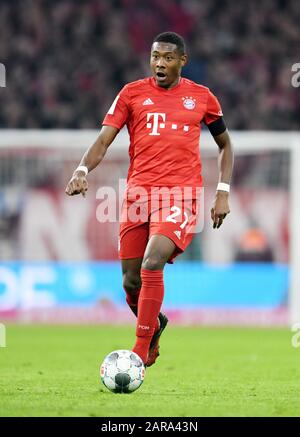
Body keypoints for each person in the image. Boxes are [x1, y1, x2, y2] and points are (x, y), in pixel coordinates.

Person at [65, 32, 234, 367]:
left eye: (168, 57)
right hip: (138, 195)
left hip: (180, 195)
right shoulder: (131, 93)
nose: (160, 63)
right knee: (131, 282)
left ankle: (139, 352)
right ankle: (153, 324)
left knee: (152, 261)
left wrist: (223, 191)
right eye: (156, 56)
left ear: (182, 61)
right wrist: (82, 169)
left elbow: (225, 145)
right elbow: (103, 140)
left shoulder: (202, 98)